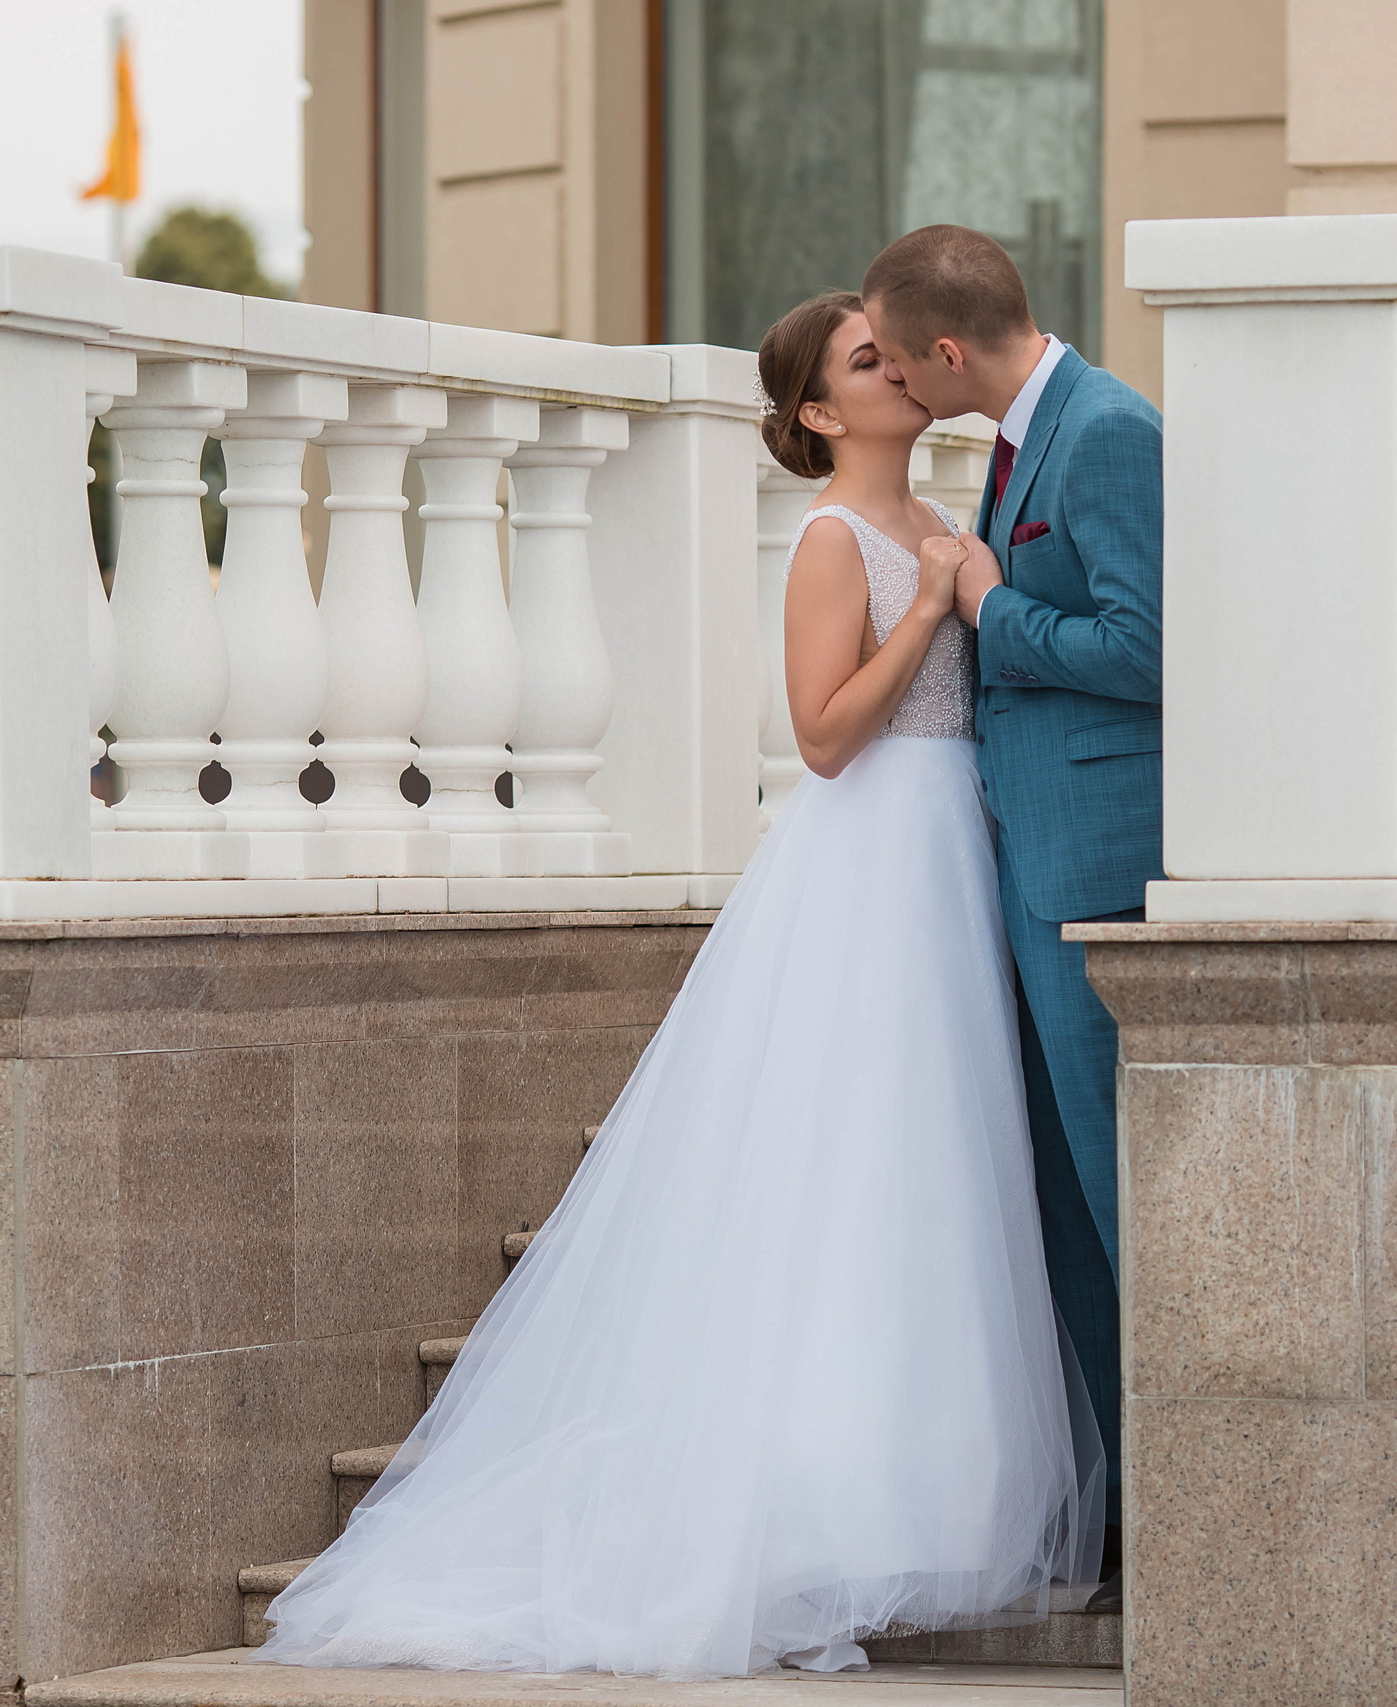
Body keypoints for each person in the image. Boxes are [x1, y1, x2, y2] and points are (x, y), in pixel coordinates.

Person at [252, 290, 1103, 1679]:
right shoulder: (833, 539)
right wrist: (931, 613)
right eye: (866, 361)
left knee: (941, 1163)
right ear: (820, 409)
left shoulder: (946, 522)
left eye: (895, 351)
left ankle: (925, 1490)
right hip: (876, 856)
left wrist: (966, 584)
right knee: (855, 1155)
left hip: (963, 847)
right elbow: (823, 734)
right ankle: (806, 1508)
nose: (897, 371)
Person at [862, 226, 1168, 1613]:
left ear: (945, 350)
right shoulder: (1012, 441)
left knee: (1115, 1193)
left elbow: (1153, 648)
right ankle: (1114, 1515)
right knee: (1059, 1204)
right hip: (1022, 856)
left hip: (1096, 864)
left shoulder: (1106, 434)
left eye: (895, 359)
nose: (893, 383)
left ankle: (1174, 1512)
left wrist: (992, 609)